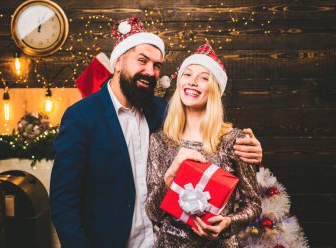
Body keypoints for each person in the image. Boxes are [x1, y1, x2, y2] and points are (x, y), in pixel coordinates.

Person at [50, 17, 262, 248]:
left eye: (157, 65)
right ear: (118, 62)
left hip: (156, 241)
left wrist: (252, 150)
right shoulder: (82, 116)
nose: (150, 71)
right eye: (142, 61)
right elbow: (63, 202)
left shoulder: (161, 112)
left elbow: (201, 128)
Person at [145, 42, 262, 247]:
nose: (193, 82)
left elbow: (253, 205)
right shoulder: (159, 140)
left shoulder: (233, 141)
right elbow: (153, 213)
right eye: (187, 75)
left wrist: (227, 222)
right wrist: (170, 175)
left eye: (204, 78)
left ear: (214, 90)